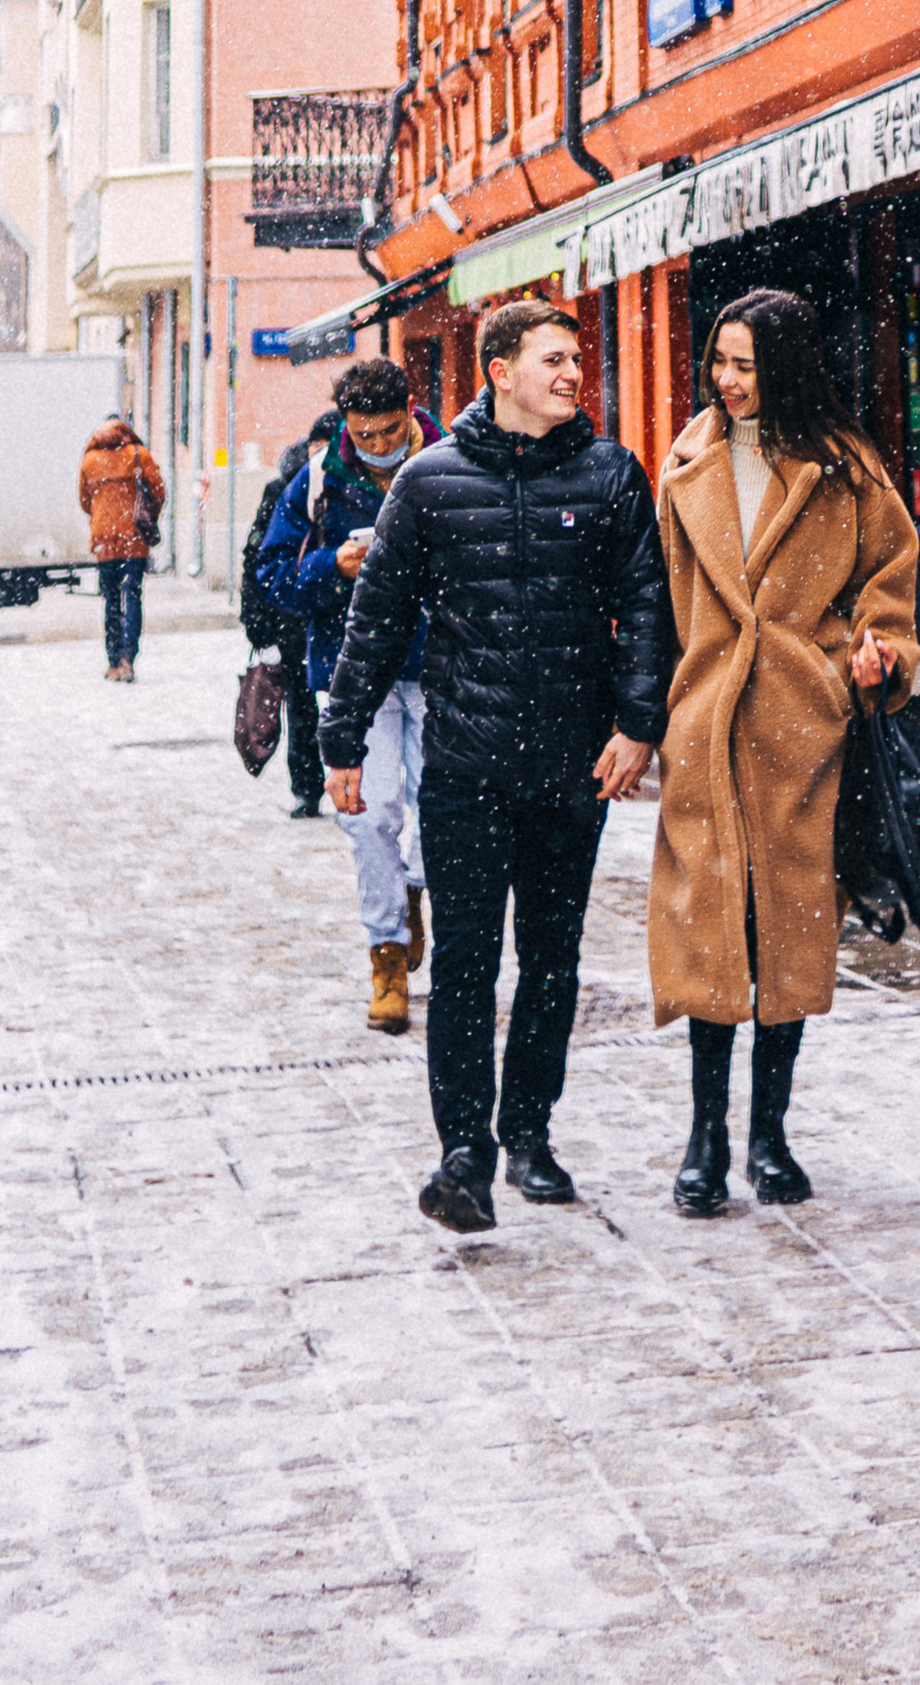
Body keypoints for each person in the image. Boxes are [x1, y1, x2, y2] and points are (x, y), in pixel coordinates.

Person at [320, 295, 673, 1235]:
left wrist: (639, 724)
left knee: (551, 962)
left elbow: (648, 602)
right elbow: (376, 620)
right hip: (465, 767)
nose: (573, 374)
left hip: (571, 766)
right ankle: (463, 1155)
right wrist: (342, 741)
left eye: (576, 360)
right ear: (500, 371)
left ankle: (529, 1134)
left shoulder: (610, 475)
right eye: (553, 360)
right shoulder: (429, 484)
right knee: (467, 964)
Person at [650, 285, 920, 1217]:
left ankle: (769, 1136)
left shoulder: (847, 469)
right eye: (719, 362)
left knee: (789, 940)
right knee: (710, 934)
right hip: (706, 730)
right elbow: (662, 606)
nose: (726, 380)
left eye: (746, 365)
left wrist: (877, 655)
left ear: (790, 370)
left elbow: (889, 586)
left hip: (804, 732)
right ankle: (706, 1137)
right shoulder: (685, 462)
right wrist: (651, 714)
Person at [262, 363, 444, 1030]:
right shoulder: (317, 479)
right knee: (369, 814)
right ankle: (386, 953)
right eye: (363, 434)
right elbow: (271, 575)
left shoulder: (450, 461)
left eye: (388, 431)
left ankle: (414, 892)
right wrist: (330, 567)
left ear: (410, 410)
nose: (376, 446)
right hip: (350, 672)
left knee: (443, 808)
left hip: (439, 664)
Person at [241, 423, 329, 815]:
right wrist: (256, 617)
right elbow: (256, 557)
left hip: (336, 614)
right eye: (319, 446)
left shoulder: (350, 488)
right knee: (302, 704)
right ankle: (307, 788)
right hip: (294, 617)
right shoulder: (283, 490)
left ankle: (352, 782)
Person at [77, 411, 166, 684]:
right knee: (133, 596)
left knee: (111, 601)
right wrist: (143, 515)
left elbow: (84, 501)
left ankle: (113, 661)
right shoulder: (138, 455)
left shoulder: (90, 460)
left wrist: (103, 514)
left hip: (104, 542)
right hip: (133, 540)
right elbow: (159, 491)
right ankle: (128, 659)